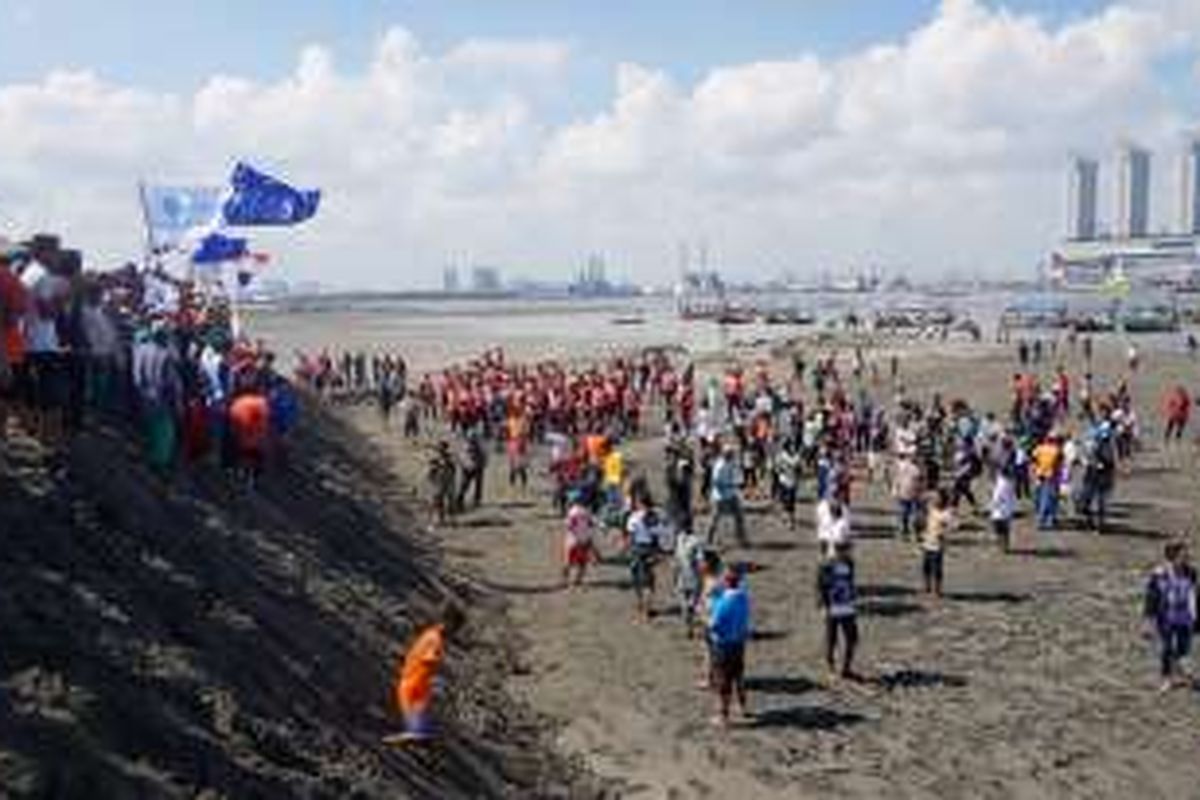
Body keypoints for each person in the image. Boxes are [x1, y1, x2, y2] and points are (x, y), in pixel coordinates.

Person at [393, 602, 466, 740]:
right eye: (455, 629)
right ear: (447, 623)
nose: (454, 633)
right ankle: (417, 730)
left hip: (417, 678)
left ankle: (417, 730)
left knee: (412, 701)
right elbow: (431, 656)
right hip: (416, 678)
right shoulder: (435, 638)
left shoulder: (432, 634)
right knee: (412, 700)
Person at [1142, 541, 1197, 693]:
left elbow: (1194, 594)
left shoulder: (1191, 572)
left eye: (1186, 554)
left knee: (1183, 650)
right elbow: (1151, 597)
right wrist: (1148, 620)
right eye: (1183, 554)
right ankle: (1167, 678)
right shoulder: (1159, 574)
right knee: (1167, 648)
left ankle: (1178, 668)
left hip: (1185, 616)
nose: (1186, 556)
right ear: (1173, 556)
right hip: (1166, 616)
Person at [708, 567, 751, 727]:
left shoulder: (724, 601)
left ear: (726, 582)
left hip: (723, 644)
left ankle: (723, 716)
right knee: (738, 676)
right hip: (739, 642)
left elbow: (714, 624)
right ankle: (742, 707)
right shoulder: (743, 598)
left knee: (723, 680)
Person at [817, 539, 859, 680]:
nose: (849, 552)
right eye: (846, 549)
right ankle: (831, 668)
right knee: (831, 639)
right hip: (833, 608)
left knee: (852, 638)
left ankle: (846, 668)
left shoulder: (850, 563)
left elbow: (851, 582)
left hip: (848, 607)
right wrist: (822, 605)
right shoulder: (826, 565)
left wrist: (853, 598)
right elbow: (820, 587)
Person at [626, 495, 668, 621]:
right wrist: (659, 552)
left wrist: (627, 550)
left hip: (637, 549)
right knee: (649, 581)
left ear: (640, 503)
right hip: (650, 549)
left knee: (636, 578)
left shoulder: (634, 517)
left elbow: (631, 535)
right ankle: (647, 609)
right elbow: (659, 535)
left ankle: (640, 604)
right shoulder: (656, 517)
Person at [706, 444, 748, 548]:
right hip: (719, 497)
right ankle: (709, 539)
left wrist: (738, 483)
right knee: (715, 518)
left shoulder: (732, 463)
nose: (732, 455)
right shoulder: (719, 466)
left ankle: (741, 539)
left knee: (739, 516)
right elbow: (715, 482)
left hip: (731, 494)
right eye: (730, 453)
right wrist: (729, 485)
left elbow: (736, 474)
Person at [921, 488, 954, 598]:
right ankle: (926, 587)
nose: (934, 500)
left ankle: (937, 590)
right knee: (926, 567)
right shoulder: (931, 509)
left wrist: (944, 532)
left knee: (937, 569)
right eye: (933, 499)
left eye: (937, 498)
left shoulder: (946, 514)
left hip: (938, 545)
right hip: (927, 542)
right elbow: (923, 498)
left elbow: (953, 526)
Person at [673, 526, 703, 638]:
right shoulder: (695, 541)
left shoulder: (680, 539)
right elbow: (700, 561)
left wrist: (674, 577)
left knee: (686, 604)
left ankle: (688, 626)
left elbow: (676, 561)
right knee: (690, 604)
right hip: (692, 577)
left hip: (684, 577)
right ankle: (689, 626)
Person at [562, 496, 597, 588]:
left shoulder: (572, 512)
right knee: (582, 562)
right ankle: (578, 580)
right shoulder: (587, 512)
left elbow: (569, 525)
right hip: (584, 539)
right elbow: (591, 524)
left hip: (573, 539)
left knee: (568, 560)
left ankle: (566, 579)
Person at [893, 454, 923, 539]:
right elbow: (898, 478)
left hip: (907, 492)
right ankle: (911, 531)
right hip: (910, 493)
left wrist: (895, 490)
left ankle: (906, 530)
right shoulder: (916, 469)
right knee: (910, 513)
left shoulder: (906, 468)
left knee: (906, 513)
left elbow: (897, 479)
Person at [989, 466, 1017, 553]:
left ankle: (1001, 546)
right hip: (1007, 510)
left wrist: (992, 505)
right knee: (1005, 530)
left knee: (999, 529)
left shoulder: (1000, 484)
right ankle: (1005, 546)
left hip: (999, 510)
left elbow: (996, 498)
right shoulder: (1010, 483)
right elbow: (1013, 497)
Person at [457, 431, 487, 511]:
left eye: (473, 439)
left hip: (477, 466)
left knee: (478, 485)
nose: (472, 441)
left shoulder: (480, 446)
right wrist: (465, 465)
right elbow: (461, 457)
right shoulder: (465, 446)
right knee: (464, 484)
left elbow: (484, 456)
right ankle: (460, 499)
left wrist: (482, 465)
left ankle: (477, 500)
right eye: (470, 439)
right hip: (467, 467)